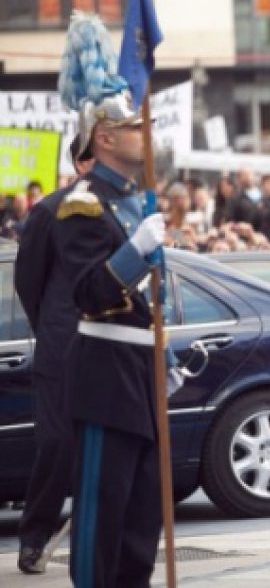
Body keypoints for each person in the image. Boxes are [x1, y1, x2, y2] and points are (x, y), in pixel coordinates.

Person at [52, 11, 168, 586]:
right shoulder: (84, 205)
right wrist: (134, 254)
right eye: (135, 127)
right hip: (104, 377)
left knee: (142, 519)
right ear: (105, 137)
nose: (145, 133)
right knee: (103, 514)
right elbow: (89, 295)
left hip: (139, 371)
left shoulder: (133, 203)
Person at [13, 135, 95, 574]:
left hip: (114, 351)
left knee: (109, 449)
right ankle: (35, 537)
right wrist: (55, 324)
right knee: (56, 446)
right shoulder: (50, 211)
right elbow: (28, 280)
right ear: (83, 162)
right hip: (63, 348)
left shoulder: (128, 208)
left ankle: (102, 536)